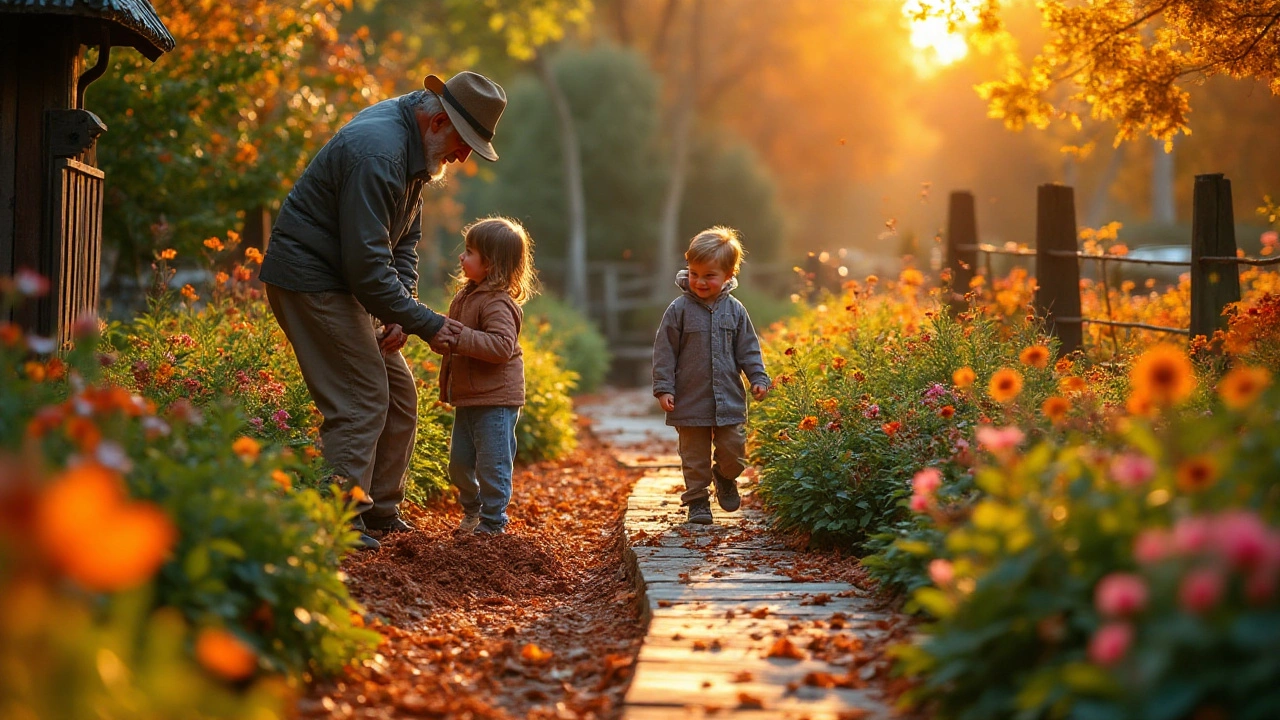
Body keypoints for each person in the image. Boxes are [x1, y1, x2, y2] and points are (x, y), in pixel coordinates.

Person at [259, 71, 508, 550]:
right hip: (313, 281)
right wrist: (425, 323)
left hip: (348, 280)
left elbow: (404, 241)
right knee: (361, 396)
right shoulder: (379, 152)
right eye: (463, 145)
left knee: (398, 393)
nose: (461, 158)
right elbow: (367, 266)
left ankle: (378, 511)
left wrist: (400, 311)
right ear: (438, 121)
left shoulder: (414, 148)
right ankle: (337, 522)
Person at [652, 227, 771, 525]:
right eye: (694, 273)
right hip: (690, 399)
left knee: (734, 450)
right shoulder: (678, 311)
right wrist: (664, 388)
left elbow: (748, 349)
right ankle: (697, 502)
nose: (700, 282)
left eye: (709, 275)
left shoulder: (736, 311)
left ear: (729, 274)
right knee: (694, 457)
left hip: (728, 398)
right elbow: (664, 351)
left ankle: (725, 475)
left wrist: (758, 377)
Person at [439, 217, 539, 536]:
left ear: (491, 263)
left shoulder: (498, 303)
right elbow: (460, 340)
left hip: (496, 399)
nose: (461, 257)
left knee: (492, 464)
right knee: (460, 464)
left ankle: (494, 521)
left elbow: (500, 346)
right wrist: (439, 338)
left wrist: (457, 337)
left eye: (469, 251)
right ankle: (473, 510)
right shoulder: (466, 296)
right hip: (468, 397)